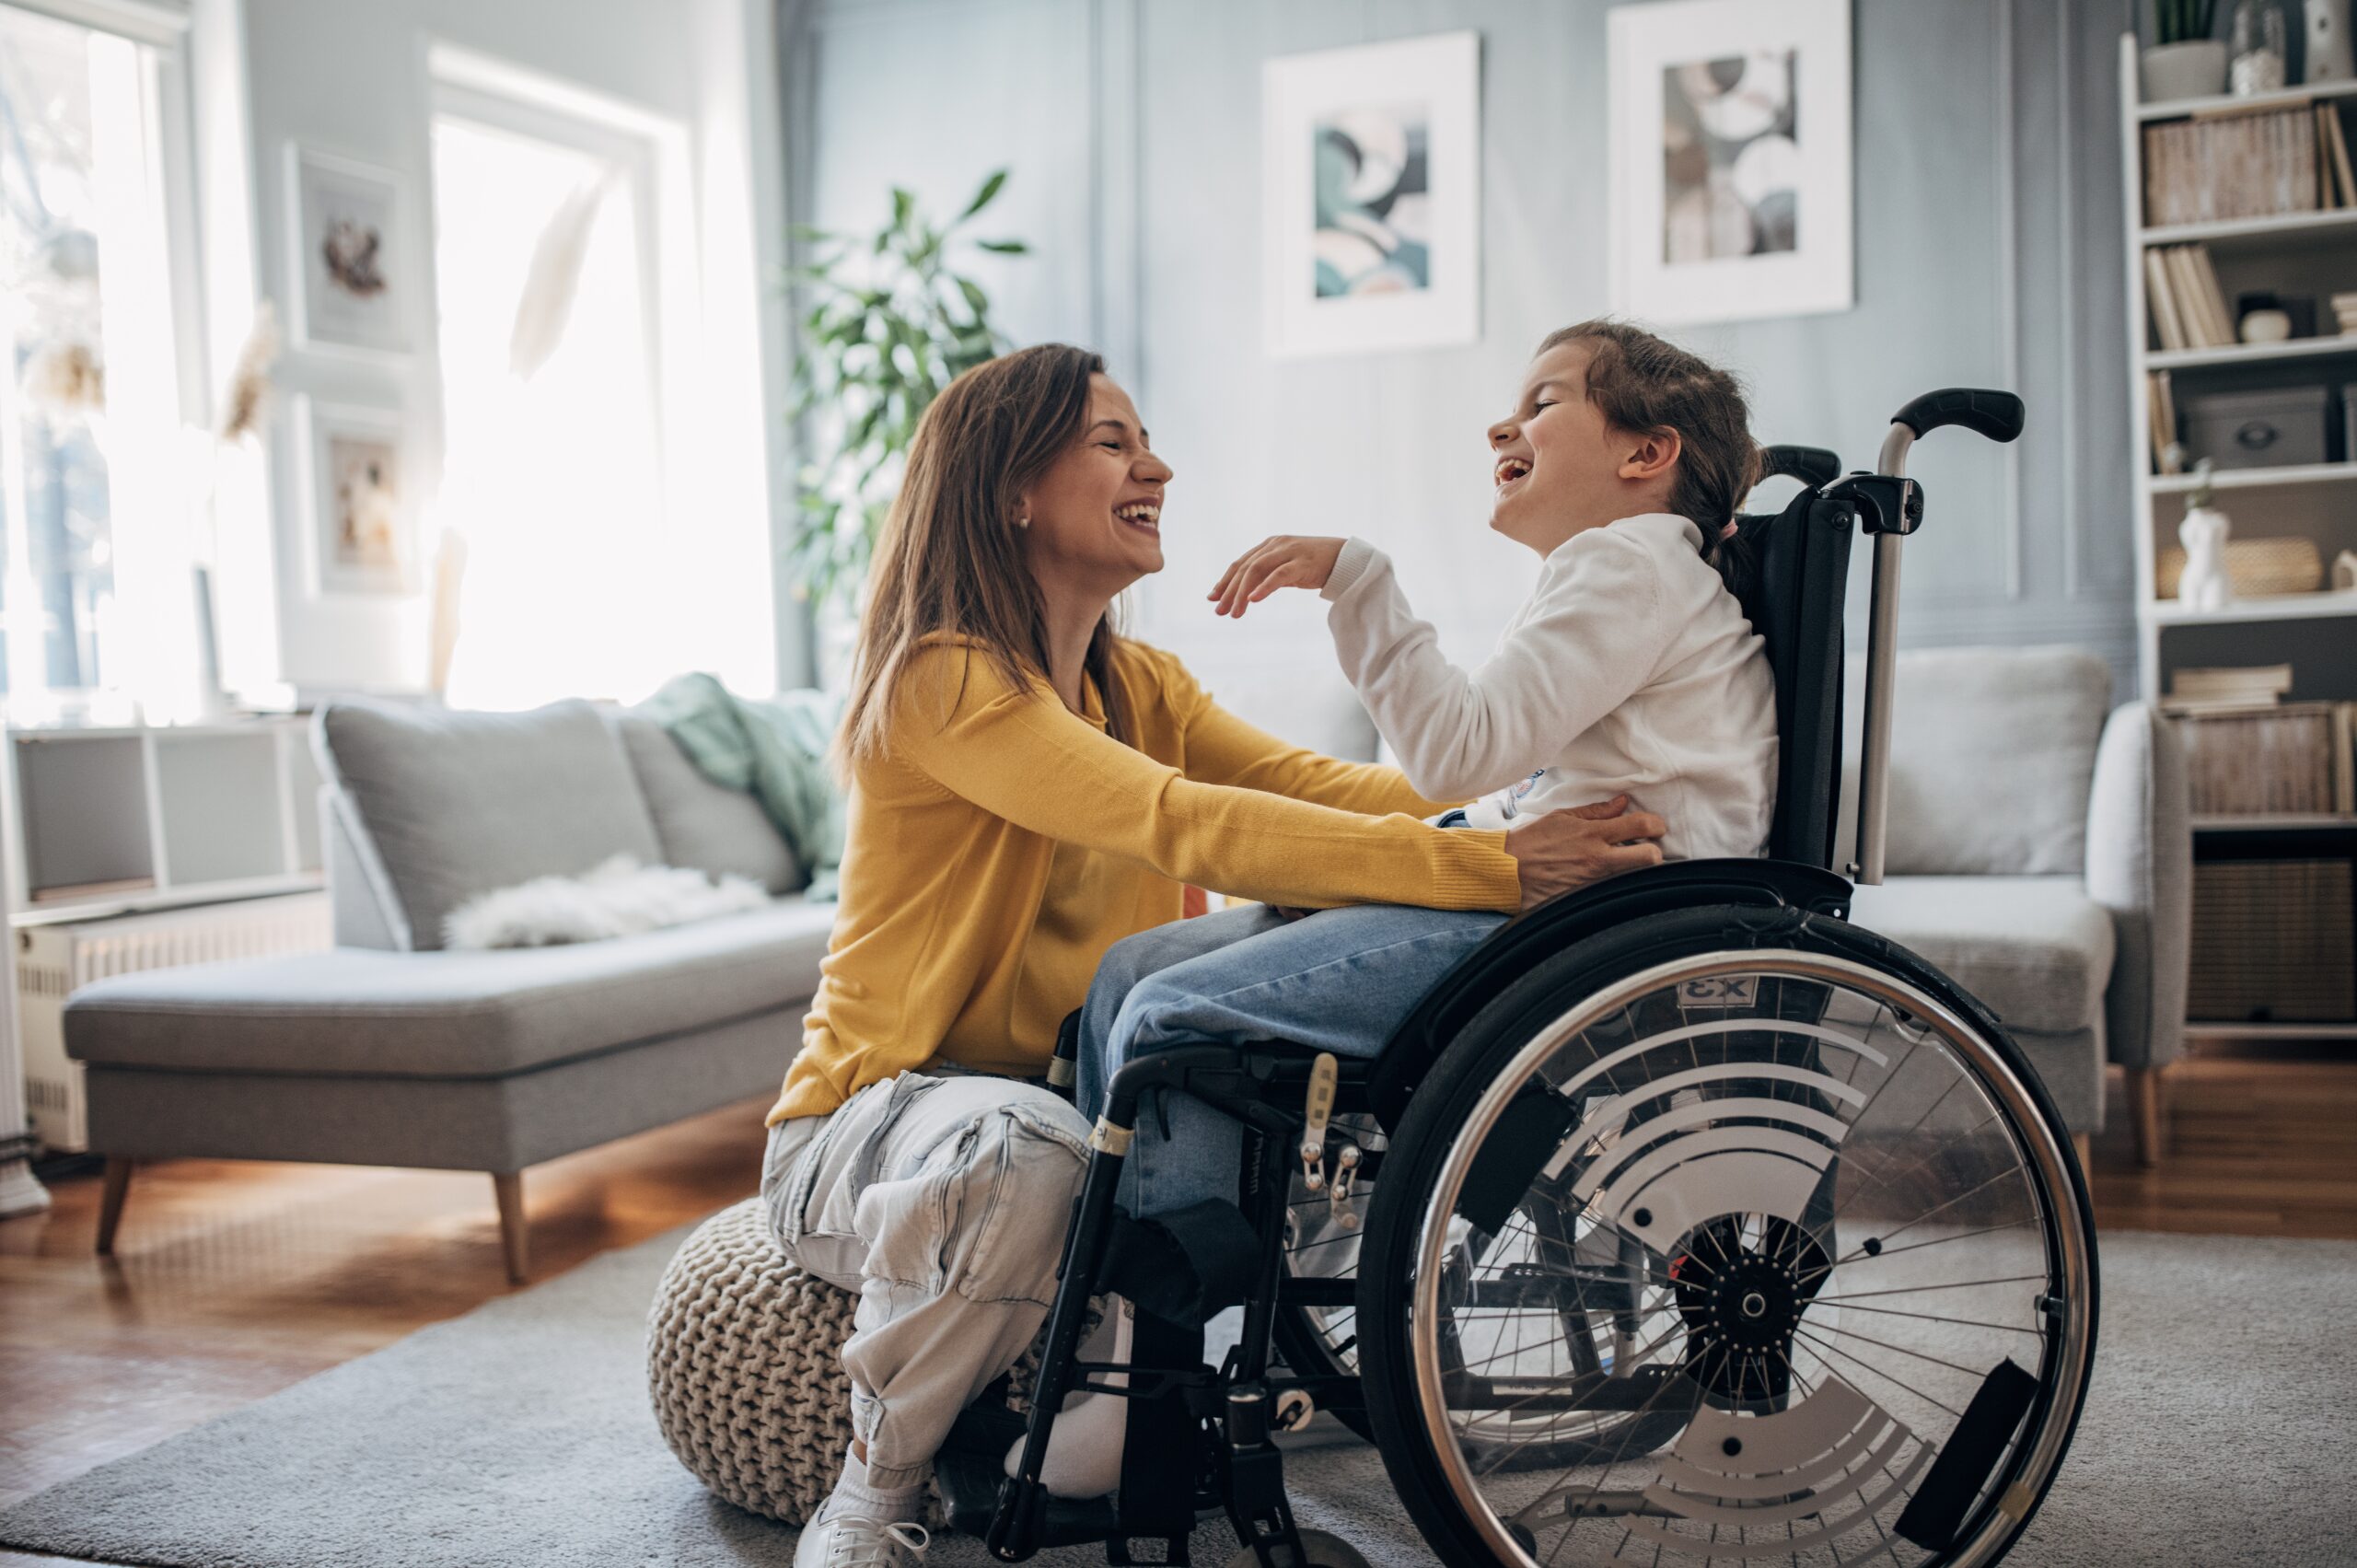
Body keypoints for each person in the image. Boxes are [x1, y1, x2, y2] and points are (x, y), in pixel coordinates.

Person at [759, 343, 1666, 1568]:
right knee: (1028, 1152)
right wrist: (1501, 867)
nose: (1159, 466)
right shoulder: (945, 678)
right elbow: (1179, 820)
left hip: (1077, 1105)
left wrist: (1527, 807)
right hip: (876, 1119)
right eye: (1114, 442)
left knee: (1259, 1126)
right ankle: (874, 1488)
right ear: (1010, 489)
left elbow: (1330, 790)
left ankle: (1123, 1418)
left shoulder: (1137, 679)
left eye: (1147, 440)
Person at [1068, 320, 1782, 1481]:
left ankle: (1151, 1386)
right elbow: (1501, 780)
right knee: (1130, 970)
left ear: (1648, 453)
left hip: (1571, 941)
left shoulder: (1629, 560)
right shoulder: (1635, 573)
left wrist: (1358, 576)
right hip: (1553, 917)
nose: (1507, 422)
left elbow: (1458, 748)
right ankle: (1106, 1323)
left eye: (1545, 401)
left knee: (1168, 1019)